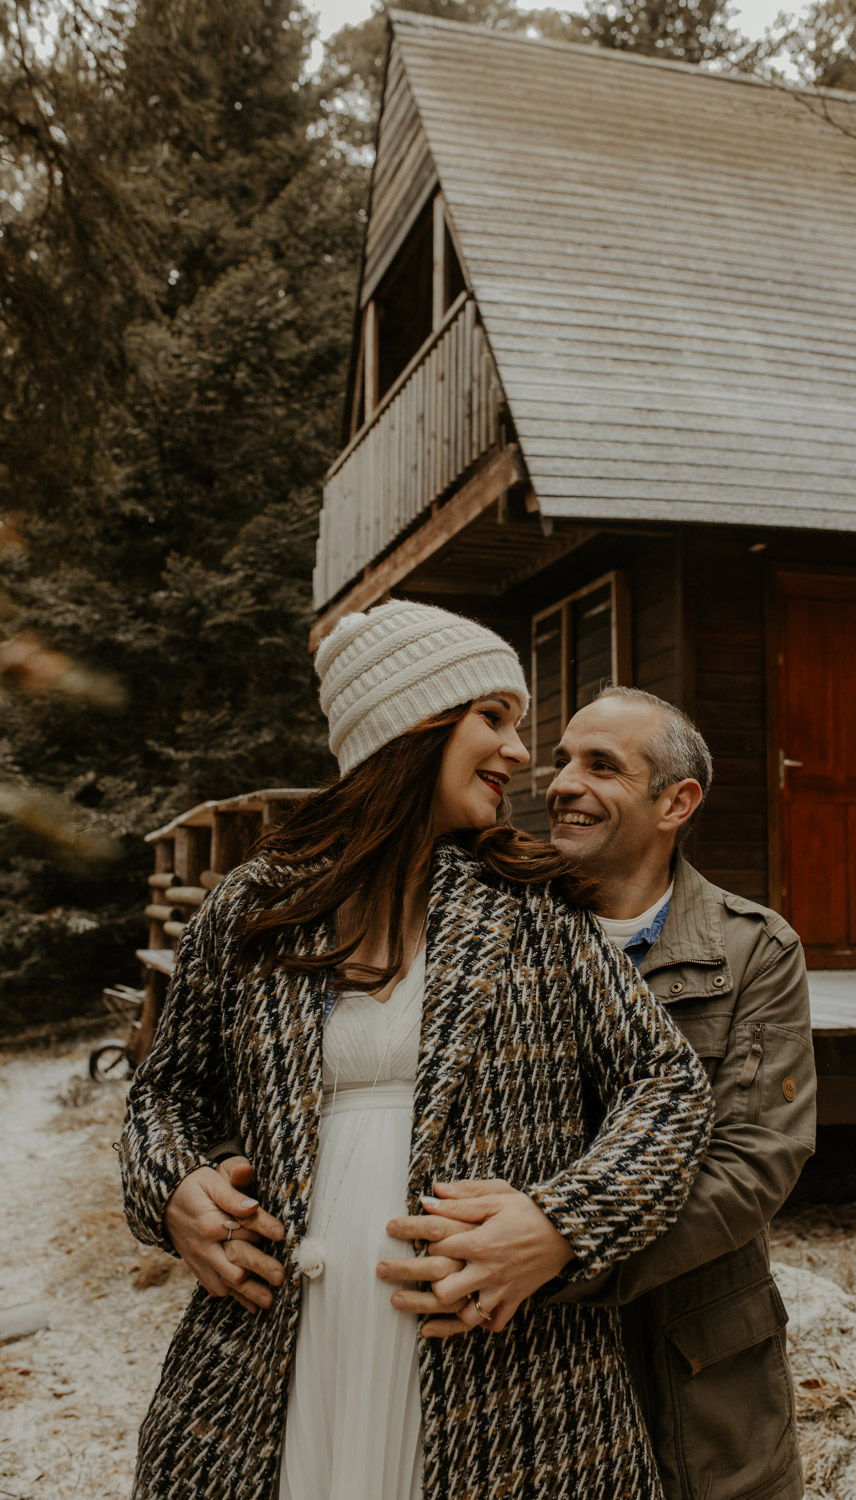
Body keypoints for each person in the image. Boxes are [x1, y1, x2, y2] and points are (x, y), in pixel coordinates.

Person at [120, 603, 714, 1500]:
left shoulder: (531, 908)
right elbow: (163, 1095)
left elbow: (669, 1088)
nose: (521, 753)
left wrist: (562, 1224)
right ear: (410, 726)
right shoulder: (254, 906)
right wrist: (172, 1191)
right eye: (494, 718)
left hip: (498, 1361)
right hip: (277, 1346)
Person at [380, 686, 816, 1500]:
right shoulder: (481, 917)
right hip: (507, 1354)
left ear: (676, 801)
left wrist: (565, 1243)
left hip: (693, 1353)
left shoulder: (752, 948)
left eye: (601, 766)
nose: (560, 785)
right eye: (561, 761)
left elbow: (756, 1159)